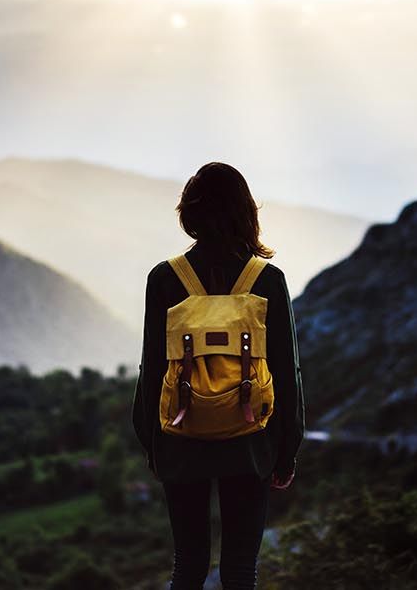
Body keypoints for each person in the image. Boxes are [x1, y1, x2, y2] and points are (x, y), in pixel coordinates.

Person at [132, 161, 306, 590]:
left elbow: (151, 366)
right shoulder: (267, 279)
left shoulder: (165, 278)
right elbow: (287, 370)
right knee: (240, 569)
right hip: (250, 439)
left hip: (180, 434)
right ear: (246, 212)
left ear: (189, 211)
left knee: (188, 563)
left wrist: (153, 443)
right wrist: (287, 450)